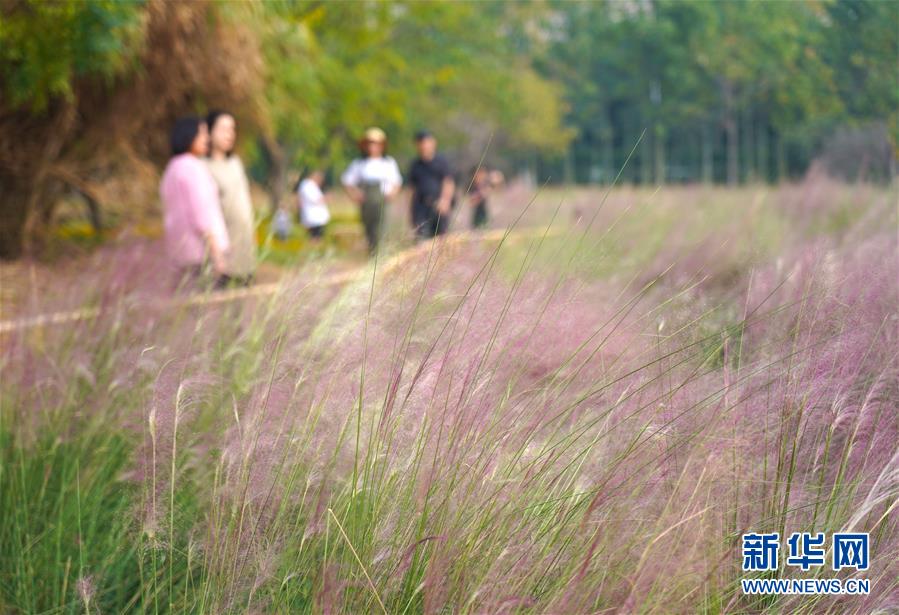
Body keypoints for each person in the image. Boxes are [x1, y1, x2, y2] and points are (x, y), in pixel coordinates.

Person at [160, 116, 229, 288]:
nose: (207, 139)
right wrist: (217, 255)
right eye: (202, 133)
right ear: (188, 136)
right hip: (202, 255)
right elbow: (202, 215)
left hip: (179, 254)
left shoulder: (172, 169)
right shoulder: (193, 168)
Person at [205, 110, 256, 286]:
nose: (229, 134)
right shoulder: (202, 167)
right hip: (222, 255)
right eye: (223, 129)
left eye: (232, 129)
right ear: (209, 132)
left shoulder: (235, 163)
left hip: (246, 253)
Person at [341, 127, 402, 254]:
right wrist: (355, 195)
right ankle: (373, 255)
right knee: (369, 229)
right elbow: (347, 181)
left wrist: (392, 194)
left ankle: (381, 256)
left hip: (382, 199)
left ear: (381, 146)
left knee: (381, 230)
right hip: (367, 200)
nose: (372, 147)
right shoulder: (359, 163)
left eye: (375, 144)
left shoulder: (388, 162)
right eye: (370, 143)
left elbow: (397, 182)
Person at [408, 130, 455, 240]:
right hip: (420, 208)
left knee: (441, 240)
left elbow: (448, 182)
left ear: (433, 143)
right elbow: (411, 189)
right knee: (421, 239)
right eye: (421, 143)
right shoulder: (415, 165)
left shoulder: (441, 162)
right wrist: (410, 212)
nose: (424, 146)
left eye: (426, 142)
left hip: (438, 206)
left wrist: (445, 200)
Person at [298, 170, 330, 241]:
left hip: (316, 217)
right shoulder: (307, 185)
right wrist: (325, 198)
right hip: (314, 217)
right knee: (315, 237)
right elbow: (315, 199)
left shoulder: (311, 185)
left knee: (318, 236)